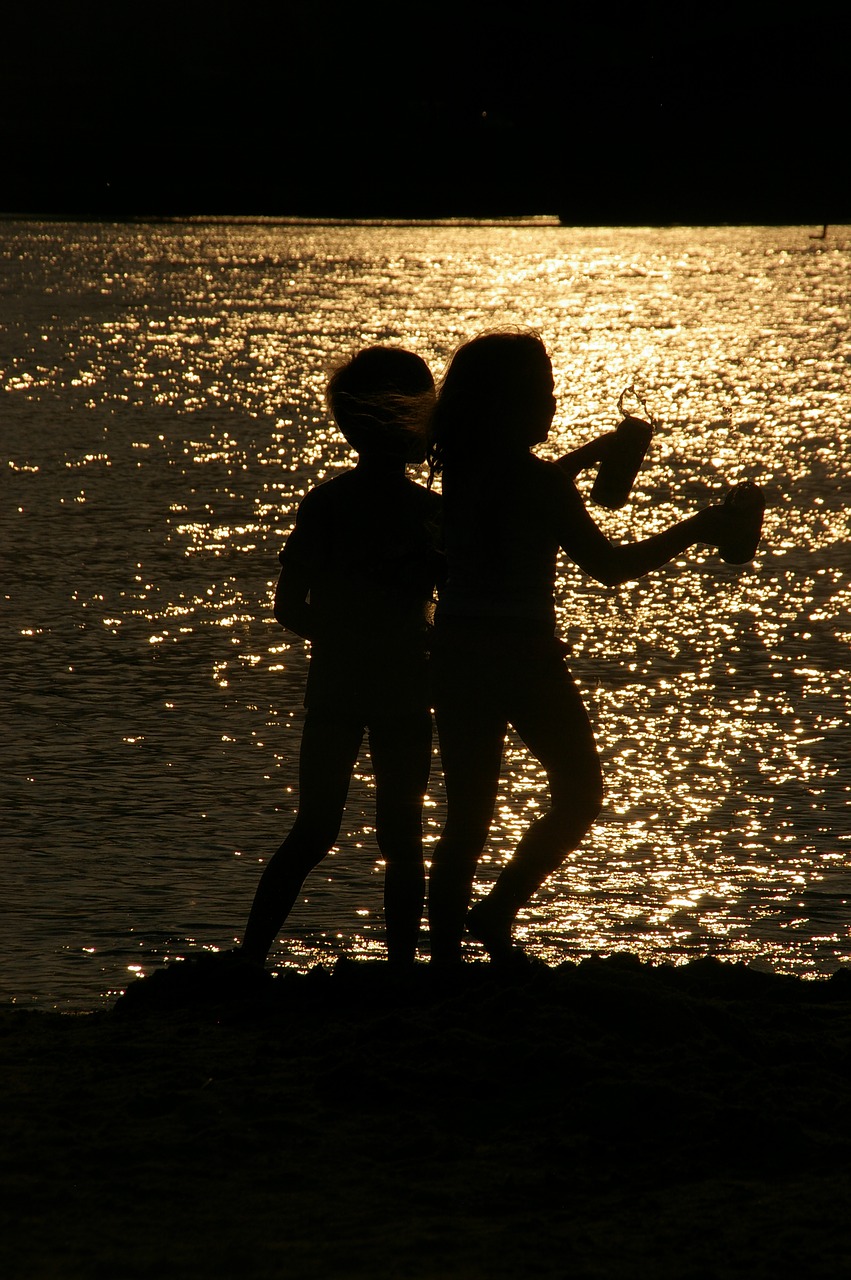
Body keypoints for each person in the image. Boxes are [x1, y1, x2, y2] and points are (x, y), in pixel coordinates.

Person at [425, 330, 761, 968]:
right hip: (523, 657)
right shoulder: (540, 485)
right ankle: (497, 910)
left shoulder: (464, 466)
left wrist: (600, 449)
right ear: (513, 405)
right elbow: (608, 566)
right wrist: (700, 527)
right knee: (579, 792)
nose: (553, 405)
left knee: (466, 818)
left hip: (457, 650)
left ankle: (441, 960)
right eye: (544, 395)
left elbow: (531, 481)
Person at [239, 346, 441, 970]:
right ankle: (403, 970)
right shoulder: (428, 513)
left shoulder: (330, 503)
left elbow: (290, 607)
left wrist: (347, 630)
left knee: (318, 828)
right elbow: (290, 607)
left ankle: (250, 960)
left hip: (343, 688)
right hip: (394, 689)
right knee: (398, 837)